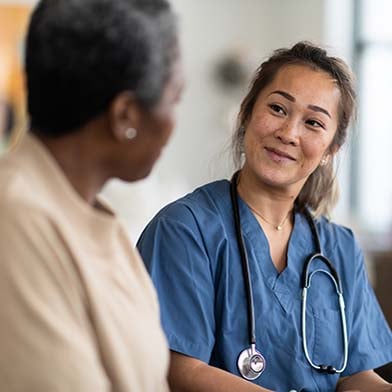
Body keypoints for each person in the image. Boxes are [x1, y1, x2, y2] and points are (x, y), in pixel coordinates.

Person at [137, 42, 392, 392]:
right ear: (246, 114)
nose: (288, 133)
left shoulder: (341, 249)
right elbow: (180, 370)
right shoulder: (185, 229)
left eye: (314, 122)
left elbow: (355, 376)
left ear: (330, 150)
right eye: (277, 108)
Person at [0, 0, 183, 391]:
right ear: (126, 117)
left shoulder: (97, 220)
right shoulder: (17, 223)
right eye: (175, 99)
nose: (174, 123)